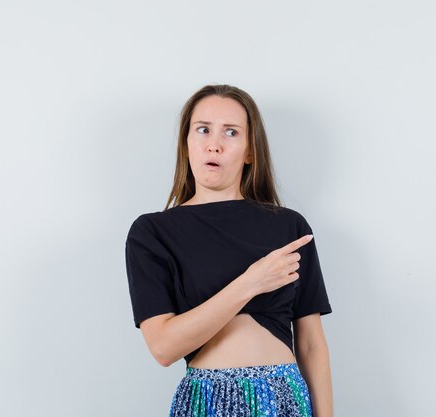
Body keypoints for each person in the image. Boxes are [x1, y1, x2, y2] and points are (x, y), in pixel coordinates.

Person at [124, 84, 333, 416]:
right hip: (207, 400)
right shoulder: (153, 232)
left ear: (250, 151)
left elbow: (311, 343)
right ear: (187, 143)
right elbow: (163, 348)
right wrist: (251, 282)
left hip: (284, 399)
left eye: (231, 132)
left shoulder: (289, 227)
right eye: (203, 129)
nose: (214, 144)